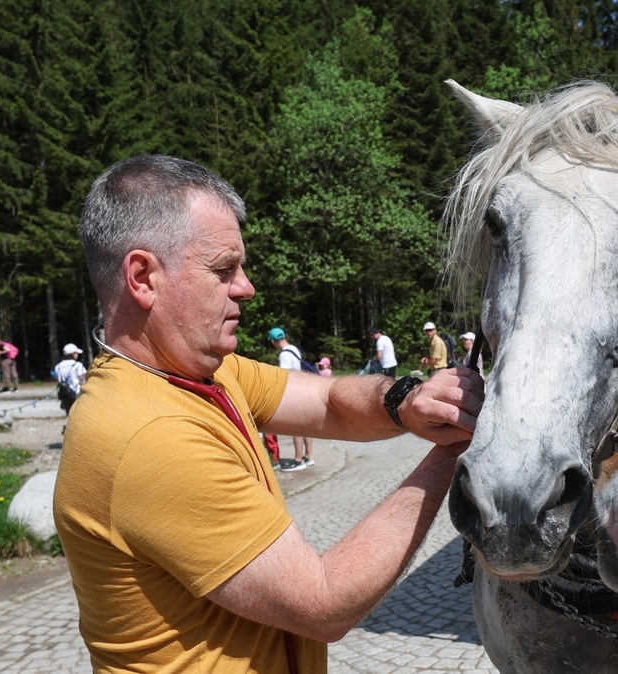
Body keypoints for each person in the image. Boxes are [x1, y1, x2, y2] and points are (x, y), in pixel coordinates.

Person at [53, 154, 482, 674]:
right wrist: (449, 451)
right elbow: (324, 603)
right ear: (143, 277)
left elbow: (326, 402)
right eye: (222, 269)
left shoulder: (205, 373)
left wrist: (408, 401)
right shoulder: (145, 434)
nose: (246, 287)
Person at [269, 326, 314, 471]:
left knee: (297, 427)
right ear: (285, 336)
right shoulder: (294, 349)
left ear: (272, 341)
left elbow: (285, 377)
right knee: (307, 427)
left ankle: (298, 460)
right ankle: (309, 457)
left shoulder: (284, 355)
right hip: (305, 389)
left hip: (295, 393)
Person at [53, 343, 88, 416]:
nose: (77, 355)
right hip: (76, 394)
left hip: (64, 395)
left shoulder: (58, 367)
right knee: (78, 416)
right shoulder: (78, 365)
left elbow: (58, 380)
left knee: (69, 416)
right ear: (72, 354)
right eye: (76, 353)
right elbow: (83, 381)